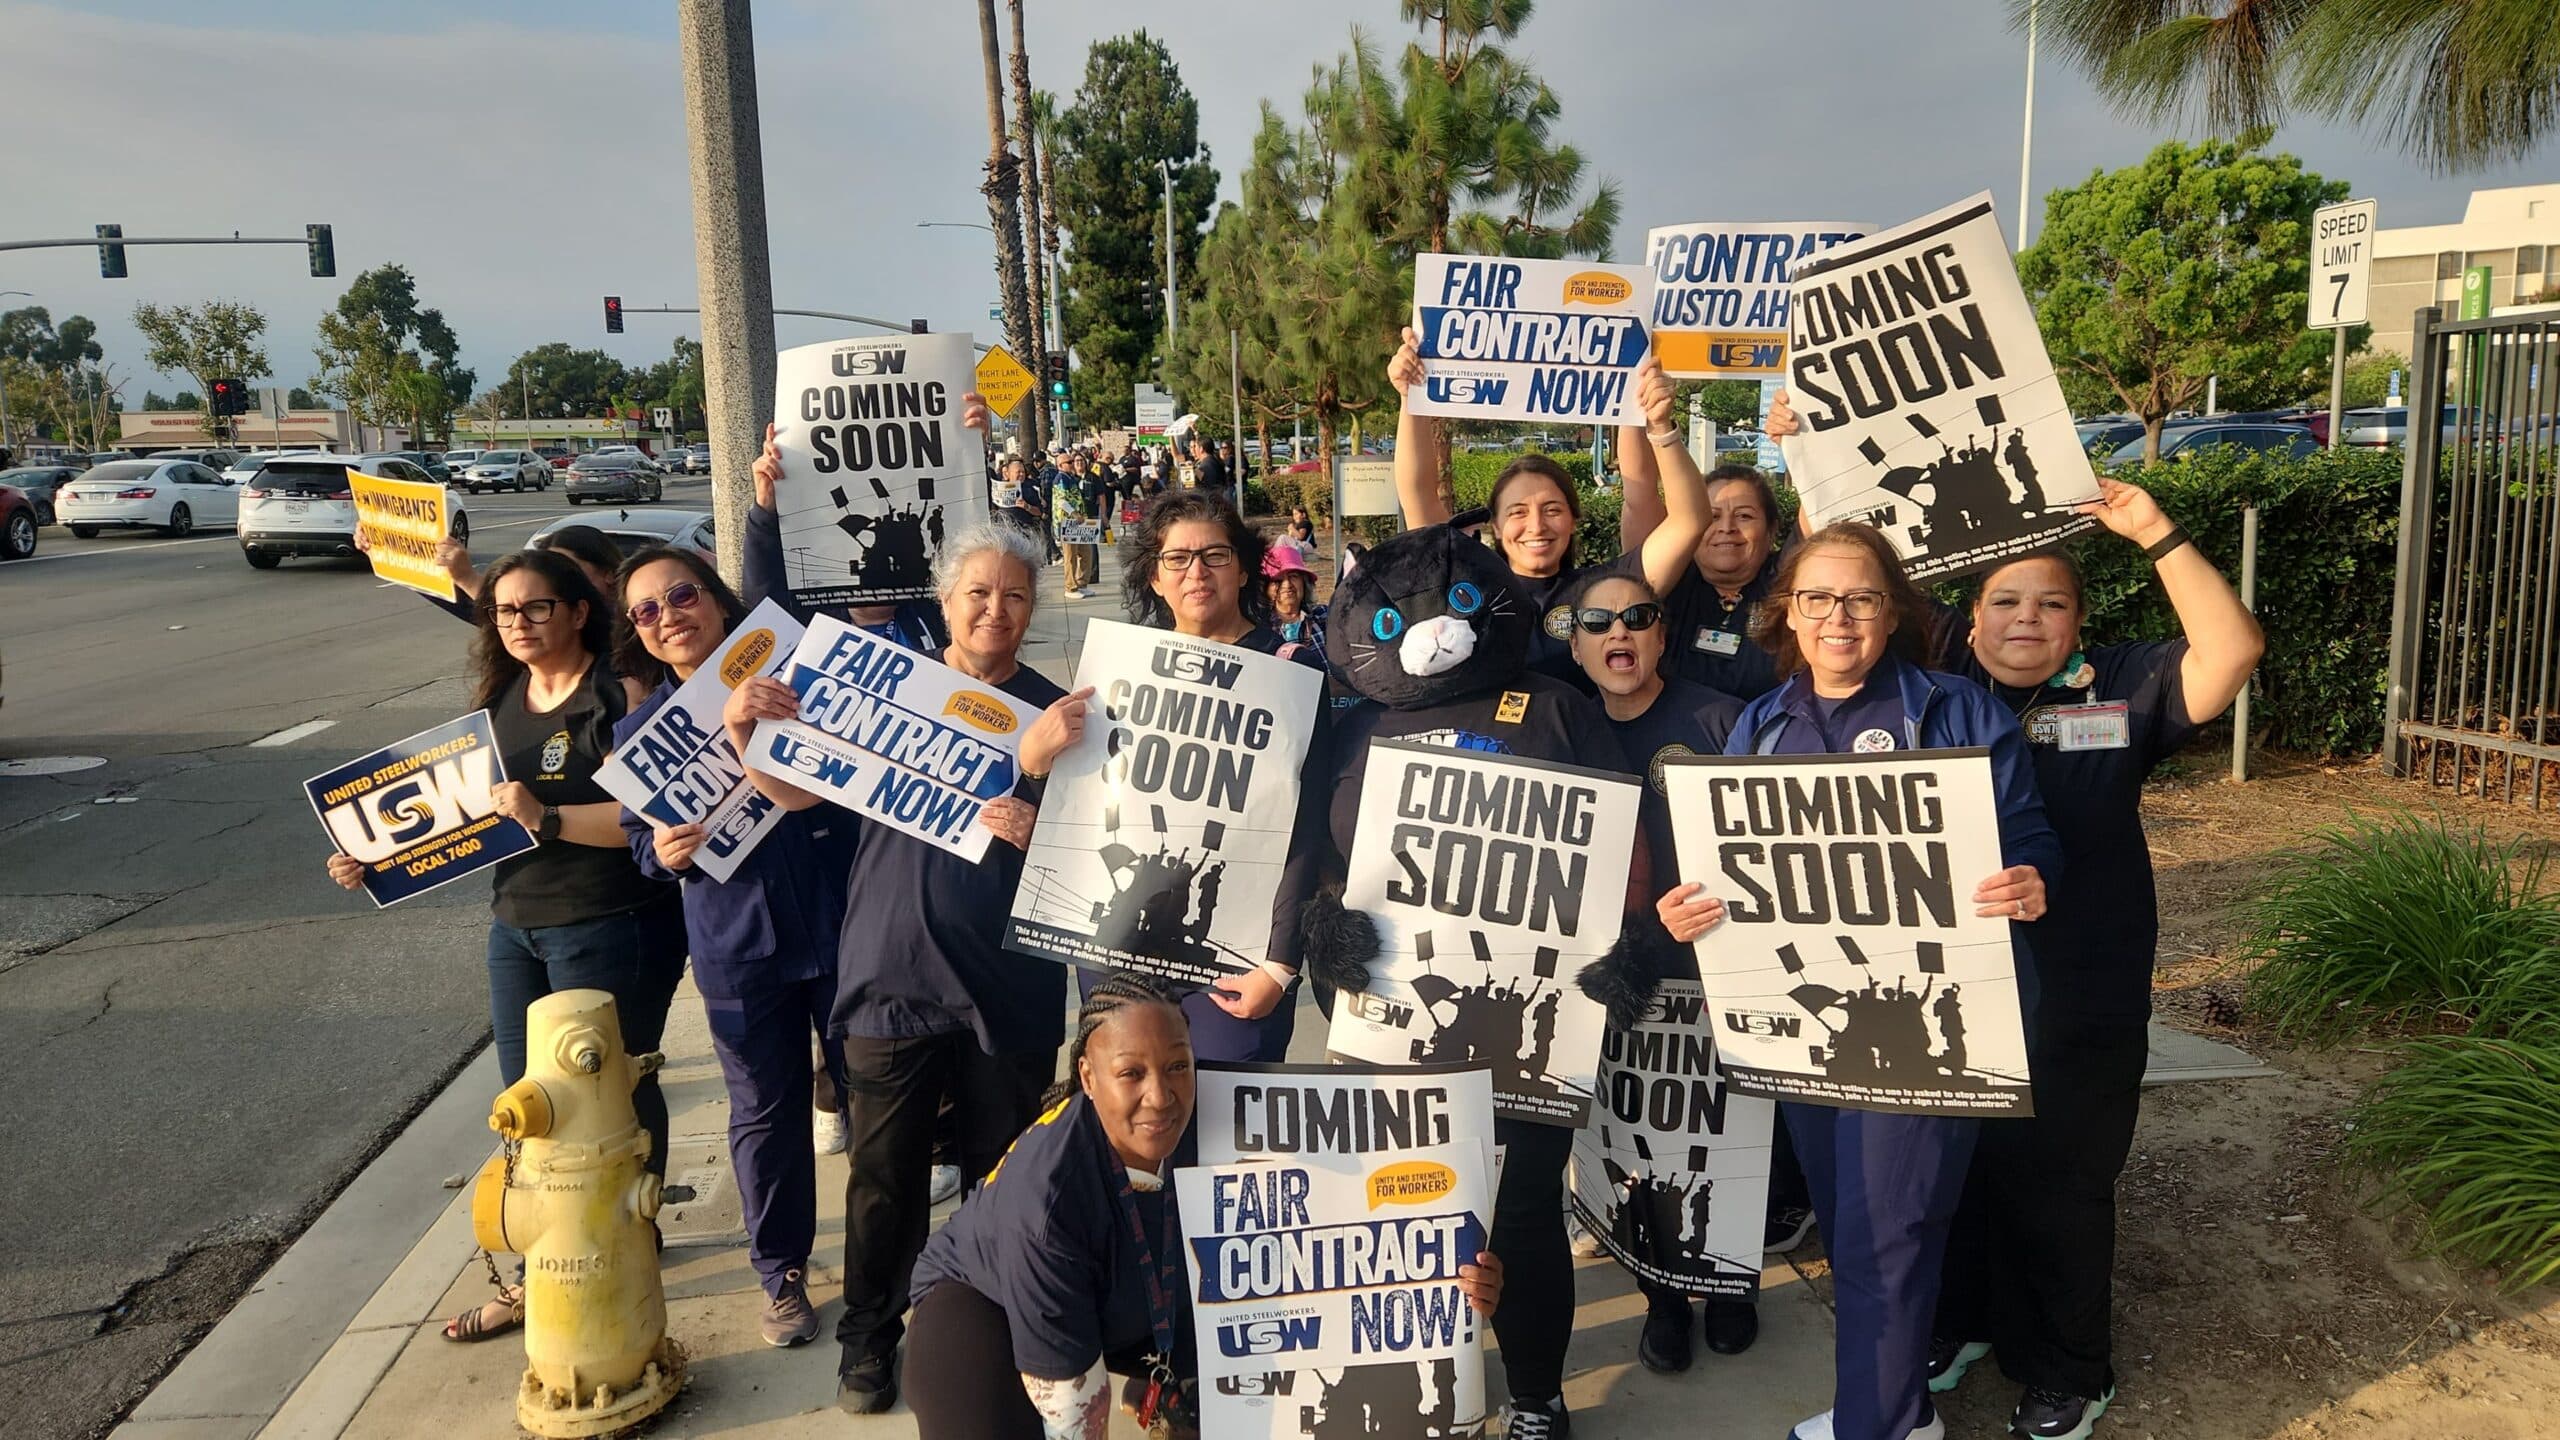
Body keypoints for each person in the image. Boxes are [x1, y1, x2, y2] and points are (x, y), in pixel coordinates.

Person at [1656, 521, 2062, 1440]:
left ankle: (1874, 1427)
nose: (1839, 616)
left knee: (1891, 1229)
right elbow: (1723, 875)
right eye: (1817, 598)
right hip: (1812, 1027)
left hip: (1927, 1019)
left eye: (1862, 597)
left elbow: (2030, 832)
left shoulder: (1957, 709)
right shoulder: (1759, 726)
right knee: (1851, 1228)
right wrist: (1690, 912)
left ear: (1894, 613)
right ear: (1786, 615)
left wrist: (2032, 879)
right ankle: (1893, 1409)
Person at [1926, 478, 2261, 1440]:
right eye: (2005, 600)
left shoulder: (2123, 685)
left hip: (2083, 986)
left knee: (2062, 1181)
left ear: (2079, 623)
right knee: (1962, 1169)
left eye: (2052, 602)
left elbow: (2231, 650)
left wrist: (2156, 530)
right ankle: (1963, 1325)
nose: (2027, 618)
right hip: (1955, 987)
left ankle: (2068, 1367)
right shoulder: (1935, 696)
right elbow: (1845, 592)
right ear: (1969, 620)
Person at [725, 522, 1071, 1416]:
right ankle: (870, 1340)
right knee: (884, 1182)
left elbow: (1092, 862)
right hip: (889, 977)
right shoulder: (884, 687)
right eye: (979, 592)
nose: (996, 609)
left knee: (1002, 1176)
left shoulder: (1062, 712)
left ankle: (992, 1331)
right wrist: (744, 737)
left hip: (1010, 987)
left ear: (1034, 609)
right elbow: (798, 791)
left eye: (1016, 595)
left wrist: (1043, 829)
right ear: (946, 601)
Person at [327, 548, 686, 1345]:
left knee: (611, 1090)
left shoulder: (621, 693)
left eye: (535, 609)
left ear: (579, 612)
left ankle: (627, 1232)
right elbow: (454, 817)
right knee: (527, 1105)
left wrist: (546, 818)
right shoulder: (500, 699)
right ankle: (548, 1259)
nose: (518, 624)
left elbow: (652, 828)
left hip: (612, 922)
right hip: (515, 923)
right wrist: (371, 858)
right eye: (503, 613)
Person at [902, 974, 1506, 1440]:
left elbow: (1363, 1227)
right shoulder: (1046, 1198)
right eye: (1130, 1073)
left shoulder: (1233, 1109)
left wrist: (1454, 1278)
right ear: (1087, 1076)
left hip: (1135, 1303)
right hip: (987, 1303)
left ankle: (1167, 1379)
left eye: (1177, 1066)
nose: (1161, 1096)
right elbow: (1074, 1413)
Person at [609, 545, 857, 1349]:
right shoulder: (640, 738)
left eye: (681, 594)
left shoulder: (793, 676)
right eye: (646, 610)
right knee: (764, 1114)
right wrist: (665, 854)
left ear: (717, 601)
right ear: (639, 634)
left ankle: (899, 1254)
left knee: (880, 1096)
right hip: (739, 948)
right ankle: (781, 1273)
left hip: (842, 918)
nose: (668, 616)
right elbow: (641, 848)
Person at [1562, 569, 1761, 1375]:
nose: (1619, 633)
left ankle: (1733, 1285)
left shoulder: (1720, 719)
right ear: (1573, 645)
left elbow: (1766, 842)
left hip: (1717, 967)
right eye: (1598, 621)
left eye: (1637, 617)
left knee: (1727, 1134)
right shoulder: (1560, 727)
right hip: (1616, 976)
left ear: (1660, 634)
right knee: (1637, 1139)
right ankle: (1663, 1298)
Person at [1106, 489, 1331, 1063]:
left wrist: (1281, 964)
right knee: (1138, 1130)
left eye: (1215, 555)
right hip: (1120, 950)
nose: (1196, 572)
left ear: (1243, 569)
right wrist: (1039, 764)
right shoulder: (1121, 674)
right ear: (1155, 578)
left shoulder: (1292, 671)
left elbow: (1309, 826)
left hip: (1241, 960)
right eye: (1177, 558)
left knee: (1229, 1140)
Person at [1386, 326, 1710, 684]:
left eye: (1553, 509)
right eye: (1518, 512)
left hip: (1576, 737)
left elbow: (1689, 520)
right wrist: (1409, 397)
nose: (1536, 525)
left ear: (1574, 519)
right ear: (1495, 525)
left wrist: (1660, 425)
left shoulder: (1603, 588)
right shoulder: (1465, 587)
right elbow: (1418, 495)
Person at [1620, 448, 1791, 701]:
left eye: (1744, 516)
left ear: (1771, 529)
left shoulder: (1790, 578)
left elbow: (1824, 503)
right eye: (1712, 517)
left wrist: (1798, 438)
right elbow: (1639, 497)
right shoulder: (1669, 579)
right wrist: (1658, 429)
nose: (1726, 528)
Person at [1260, 538, 1328, 656]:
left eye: (1293, 576)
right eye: (1278, 580)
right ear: (1266, 587)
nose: (1287, 585)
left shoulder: (1323, 616)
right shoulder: (1259, 626)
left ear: (1304, 582)